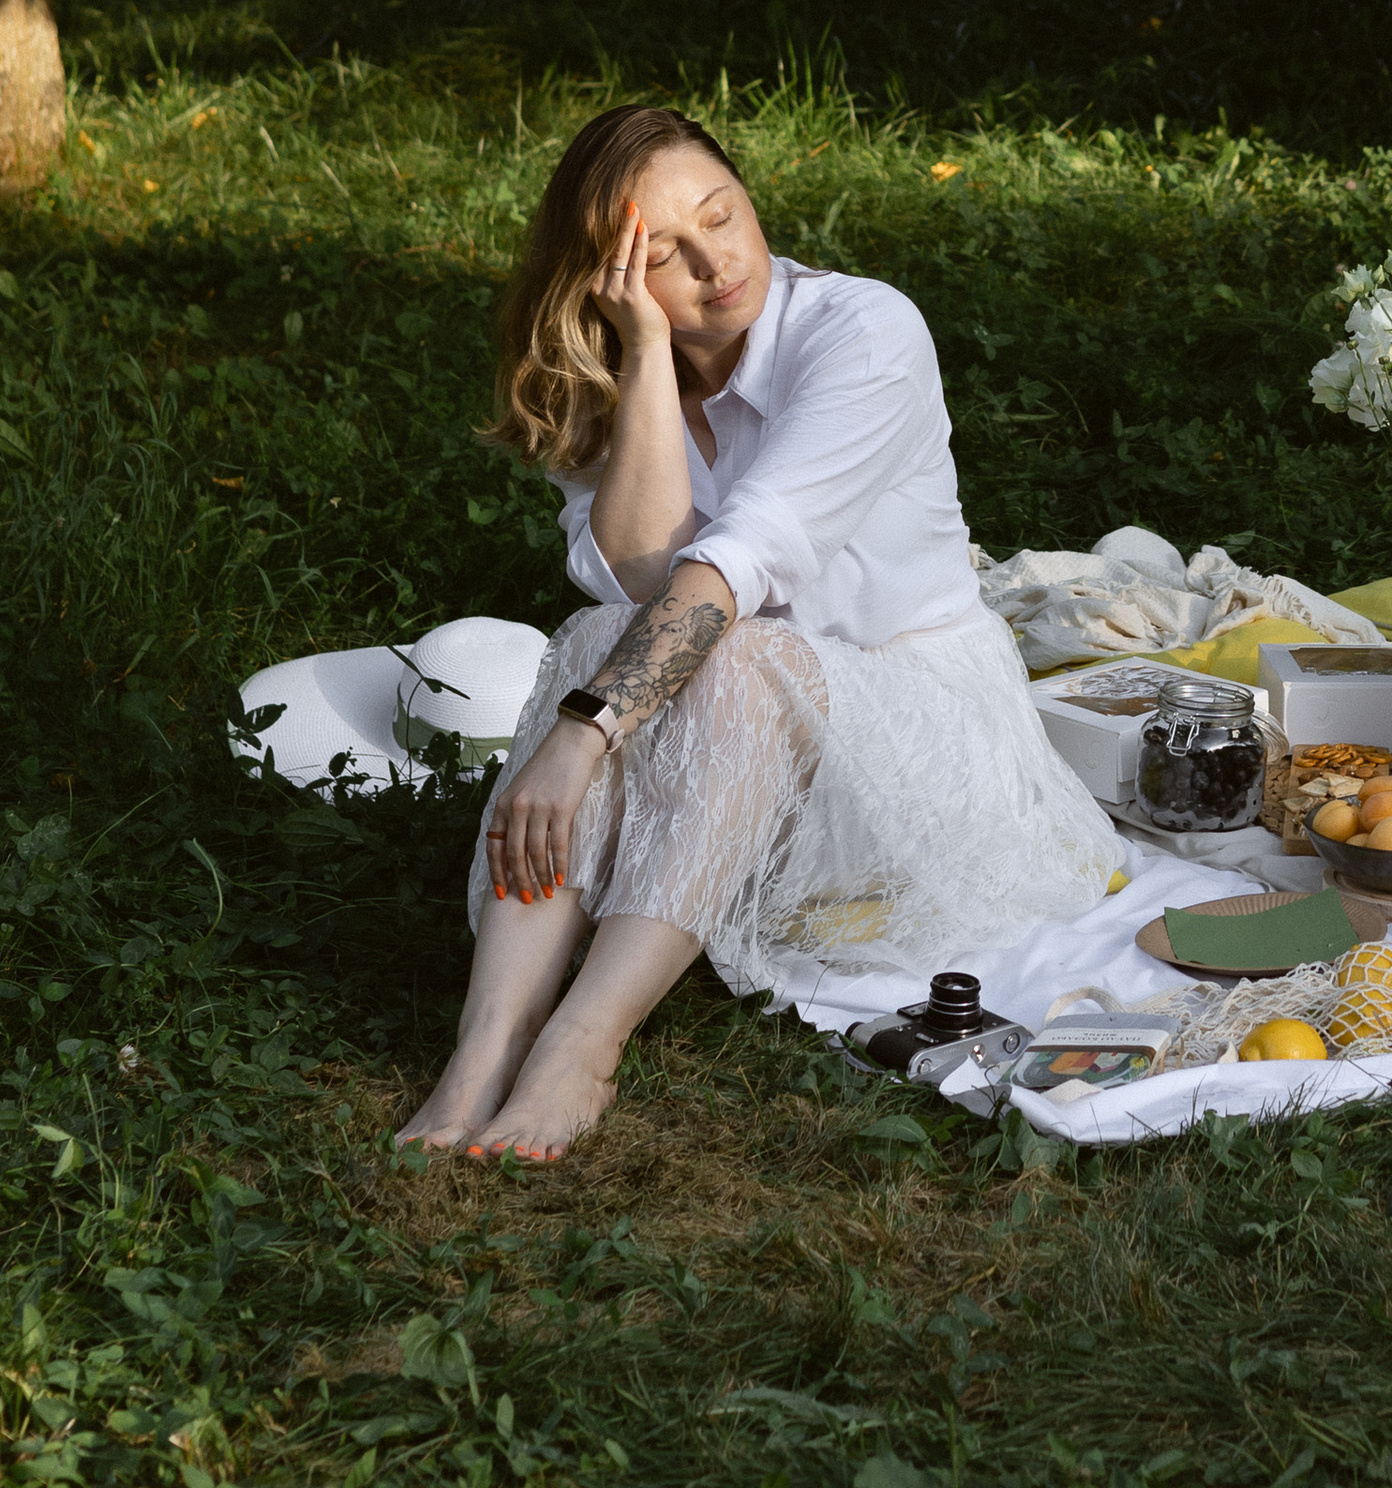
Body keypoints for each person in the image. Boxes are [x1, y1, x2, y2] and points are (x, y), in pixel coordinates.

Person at [398, 105, 1120, 1159]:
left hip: (917, 746)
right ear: (607, 282)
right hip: (727, 739)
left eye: (722, 216)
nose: (716, 265)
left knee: (713, 653)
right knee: (601, 630)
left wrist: (578, 736)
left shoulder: (866, 334)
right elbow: (643, 581)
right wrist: (646, 361)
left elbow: (733, 573)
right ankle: (484, 1047)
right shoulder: (615, 381)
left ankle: (582, 1046)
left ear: (749, 195)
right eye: (664, 257)